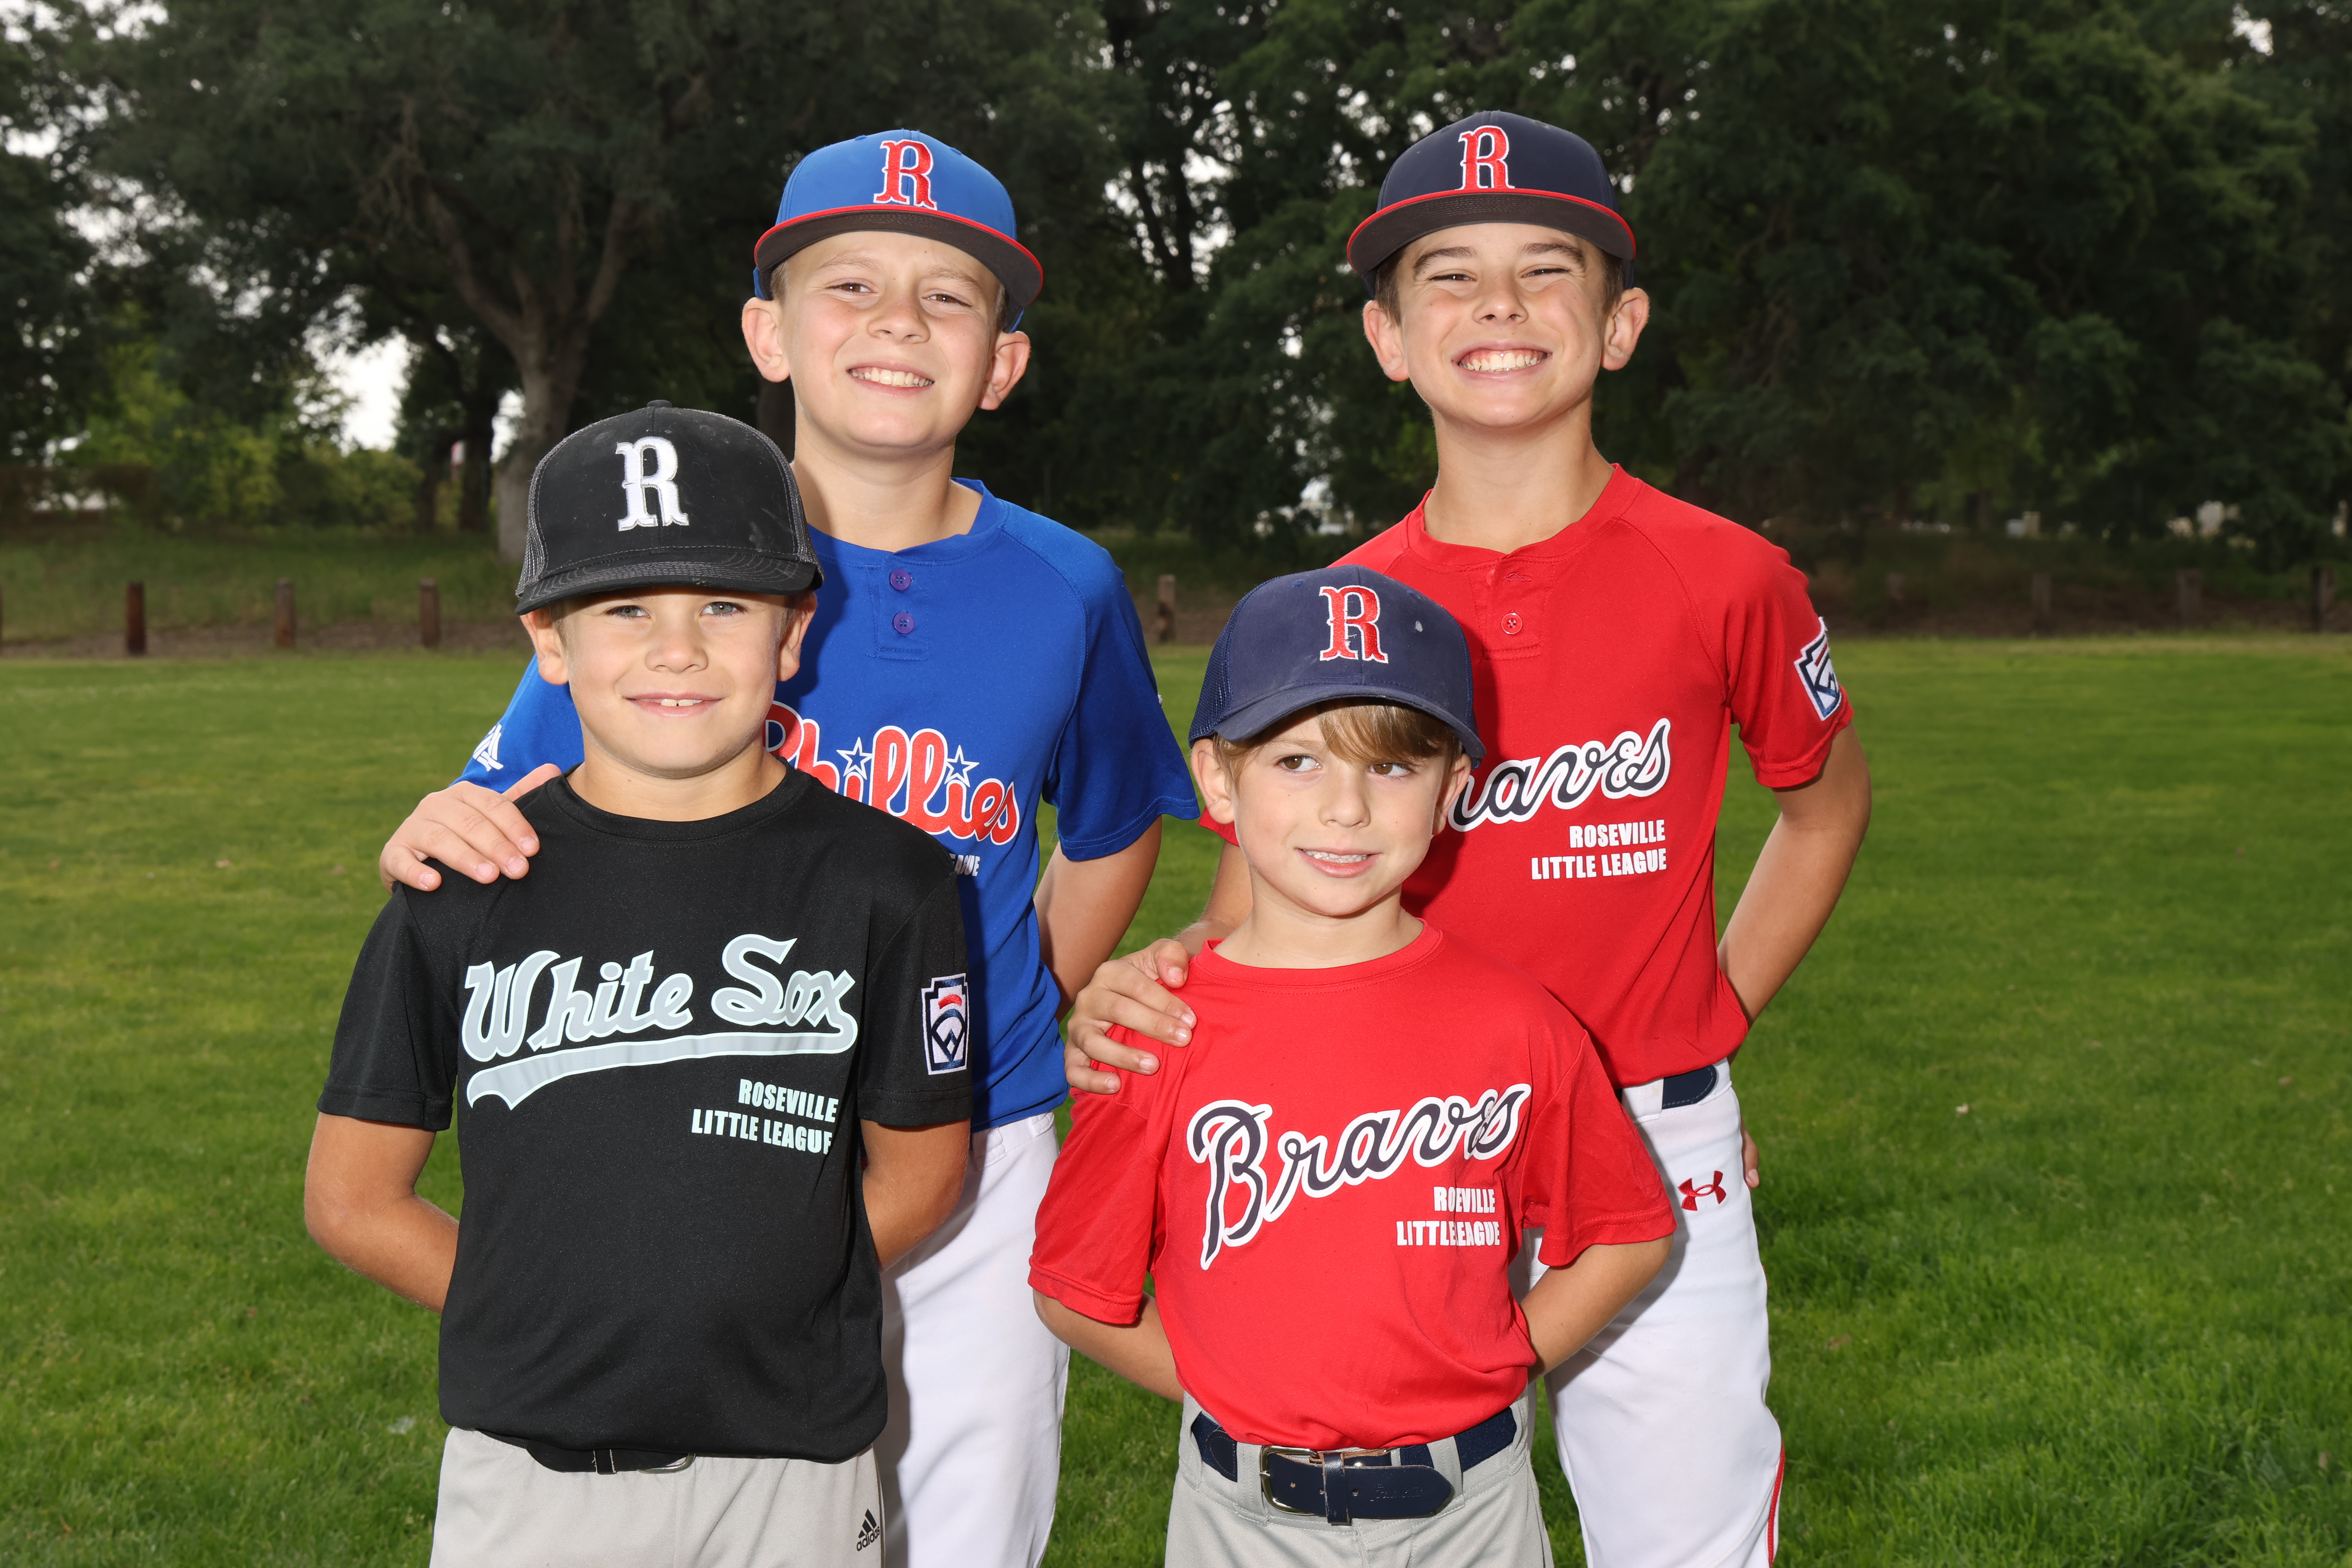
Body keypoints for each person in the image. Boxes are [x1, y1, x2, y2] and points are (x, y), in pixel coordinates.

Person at [370, 131, 1198, 1568]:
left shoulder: (1066, 584)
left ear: (1003, 362)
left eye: (950, 296)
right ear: (769, 334)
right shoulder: (670, 573)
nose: (899, 322)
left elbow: (1116, 824)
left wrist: (1015, 999)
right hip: (716, 1118)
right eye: (850, 285)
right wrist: (443, 818)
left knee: (967, 1519)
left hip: (972, 1142)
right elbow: (510, 812)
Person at [1065, 112, 1874, 1568]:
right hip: (1380, 1136)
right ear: (1388, 337)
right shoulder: (1339, 612)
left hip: (1643, 1126)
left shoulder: (1728, 575)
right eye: (1449, 274)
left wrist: (1706, 1024)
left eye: (1546, 268)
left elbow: (1824, 809)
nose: (1500, 303)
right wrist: (1153, 980)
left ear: (1620, 324)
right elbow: (1257, 898)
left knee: (1683, 1535)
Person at [307, 404, 974, 1567]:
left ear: (794, 631)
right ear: (549, 640)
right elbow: (352, 1198)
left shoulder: (888, 880)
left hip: (792, 1463)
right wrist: (561, 1310)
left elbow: (921, 1174)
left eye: (724, 605)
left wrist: (758, 1295)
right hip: (533, 1470)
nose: (677, 649)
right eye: (626, 609)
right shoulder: (464, 882)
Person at [1030, 565, 1675, 1565]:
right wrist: (1238, 1393)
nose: (1346, 809)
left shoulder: (1517, 1024)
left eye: (1393, 767)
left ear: (1454, 790)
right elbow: (1075, 1292)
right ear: (1218, 779)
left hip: (1475, 1513)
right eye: (1297, 761)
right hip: (1243, 1520)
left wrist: (1500, 1364)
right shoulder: (1159, 1026)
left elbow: (1628, 1233)